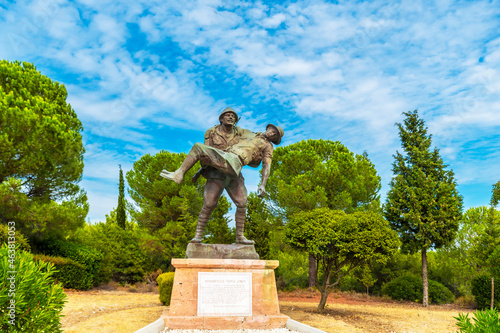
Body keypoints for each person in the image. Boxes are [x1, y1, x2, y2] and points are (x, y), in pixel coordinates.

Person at [160, 122, 284, 245]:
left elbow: (267, 165)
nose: (271, 133)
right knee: (209, 204)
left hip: (234, 162)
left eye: (274, 135)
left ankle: (240, 237)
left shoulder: (268, 146)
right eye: (271, 130)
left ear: (274, 139)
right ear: (268, 128)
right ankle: (198, 236)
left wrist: (263, 184)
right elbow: (230, 130)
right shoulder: (248, 133)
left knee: (242, 202)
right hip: (222, 165)